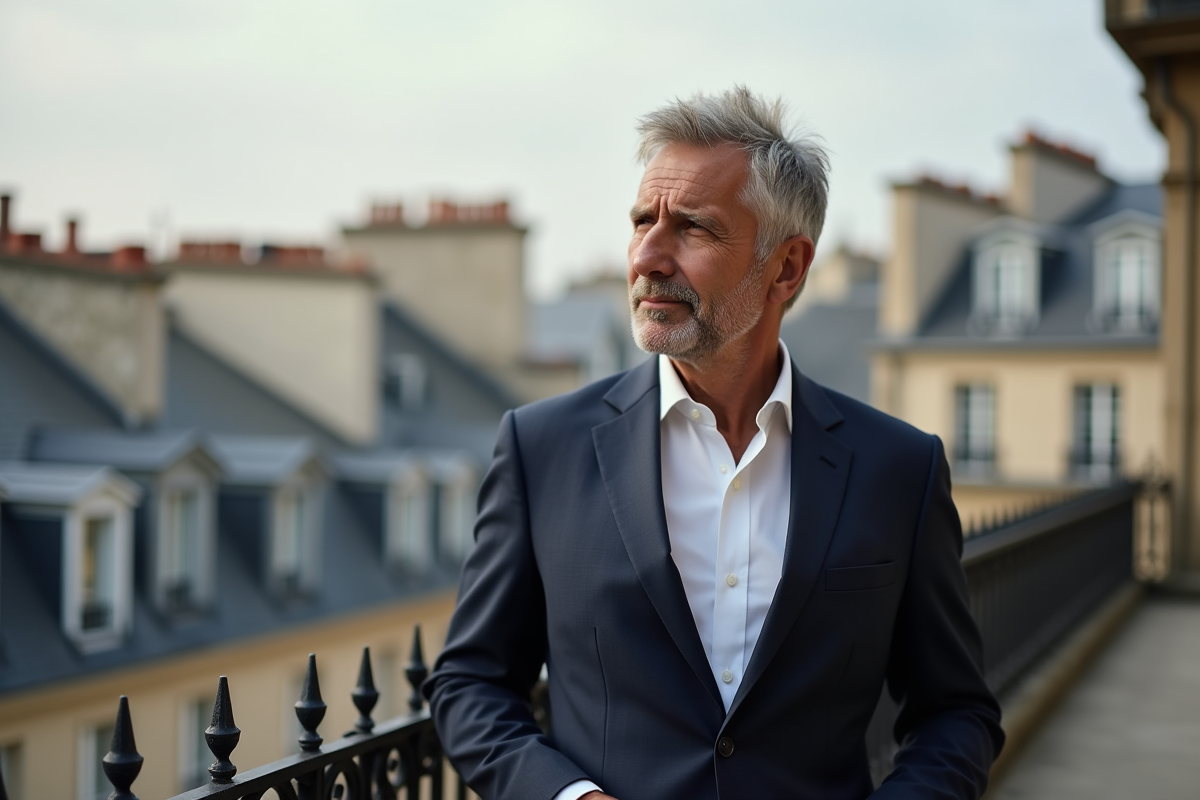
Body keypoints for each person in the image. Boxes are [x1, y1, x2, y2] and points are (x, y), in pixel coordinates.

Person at [424, 86, 1004, 800]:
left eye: (692, 229)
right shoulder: (540, 449)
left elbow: (956, 713)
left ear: (786, 268)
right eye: (642, 221)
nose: (647, 257)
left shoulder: (898, 469)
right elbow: (469, 684)